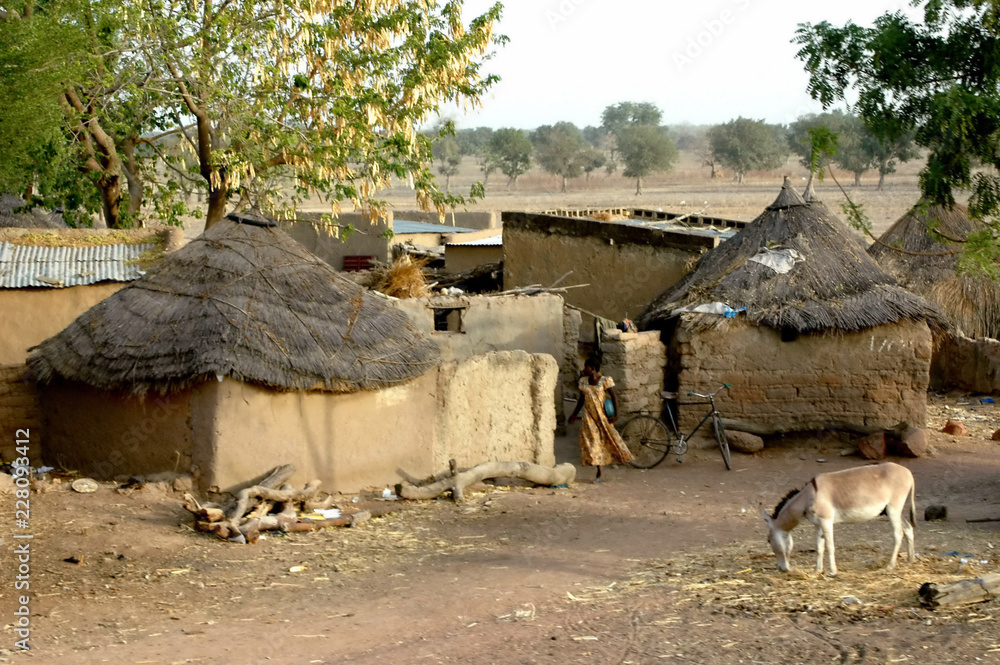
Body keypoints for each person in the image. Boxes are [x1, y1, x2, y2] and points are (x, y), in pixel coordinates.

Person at [567, 356, 633, 481]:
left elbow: (614, 397)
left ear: (592, 369)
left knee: (610, 439)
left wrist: (616, 414)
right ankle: (599, 470)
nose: (584, 369)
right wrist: (574, 414)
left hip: (602, 416)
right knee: (593, 442)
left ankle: (619, 458)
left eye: (586, 367)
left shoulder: (605, 381)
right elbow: (582, 399)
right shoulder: (583, 381)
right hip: (589, 417)